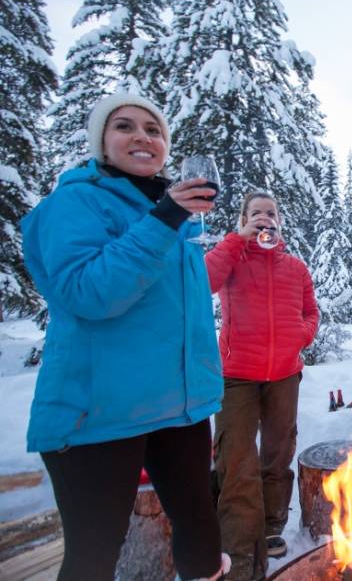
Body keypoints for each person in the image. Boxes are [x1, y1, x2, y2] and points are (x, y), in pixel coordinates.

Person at [21, 92, 228, 581]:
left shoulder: (167, 211)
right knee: (93, 555)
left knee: (201, 537)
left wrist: (202, 395)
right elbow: (90, 293)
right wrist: (164, 220)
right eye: (124, 126)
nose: (141, 136)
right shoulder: (73, 202)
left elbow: (184, 318)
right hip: (98, 414)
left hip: (177, 410)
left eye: (153, 130)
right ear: (101, 142)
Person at [205, 192, 320, 581]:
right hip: (237, 374)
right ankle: (238, 551)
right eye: (256, 213)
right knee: (236, 459)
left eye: (271, 213)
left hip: (285, 373)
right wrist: (237, 239)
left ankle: (271, 526)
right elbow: (204, 280)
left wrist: (301, 336)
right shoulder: (232, 257)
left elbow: (311, 311)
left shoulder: (295, 267)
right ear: (244, 220)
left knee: (278, 452)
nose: (265, 218)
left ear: (280, 222)